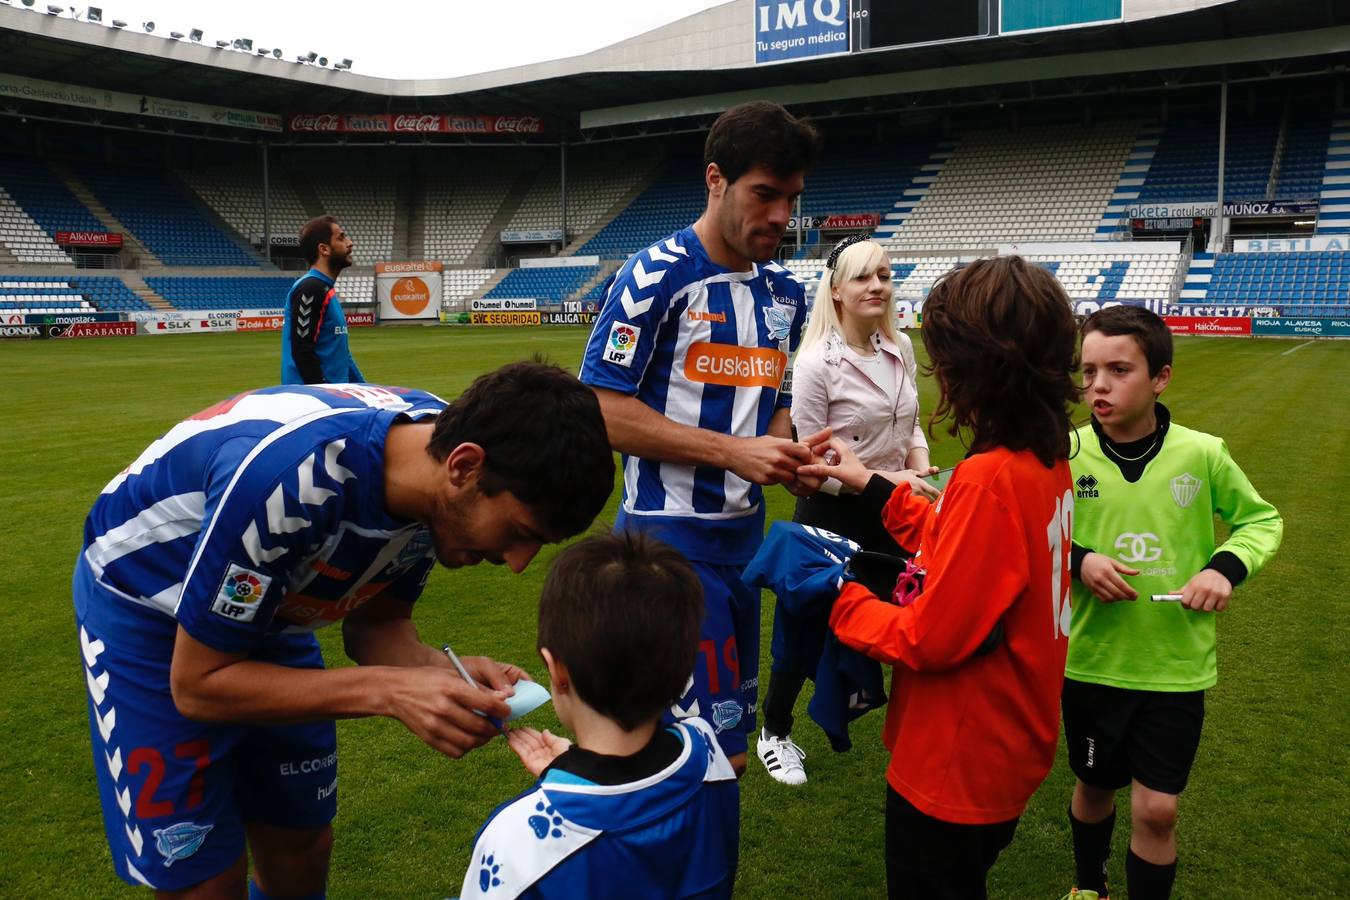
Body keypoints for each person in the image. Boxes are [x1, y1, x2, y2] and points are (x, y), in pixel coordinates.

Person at [73, 362, 614, 898]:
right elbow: (197, 685)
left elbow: (376, 628)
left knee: (303, 847)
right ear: (463, 467)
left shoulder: (437, 482)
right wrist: (388, 691)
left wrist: (438, 670)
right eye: (520, 533)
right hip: (147, 611)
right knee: (205, 883)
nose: (518, 562)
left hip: (270, 610)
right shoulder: (290, 484)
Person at [798, 255, 1082, 899]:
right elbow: (964, 550)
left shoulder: (990, 478)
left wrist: (838, 594)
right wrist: (866, 482)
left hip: (957, 759)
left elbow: (929, 637)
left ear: (979, 362)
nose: (938, 366)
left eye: (946, 350)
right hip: (1010, 741)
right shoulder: (1043, 457)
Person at [578, 100, 826, 774]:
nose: (781, 215)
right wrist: (732, 452)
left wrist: (786, 452)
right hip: (668, 547)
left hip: (744, 549)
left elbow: (774, 403)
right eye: (764, 194)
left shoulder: (787, 294)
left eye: (792, 197)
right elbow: (600, 409)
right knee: (698, 756)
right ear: (716, 180)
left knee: (729, 749)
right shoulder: (654, 276)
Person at [1060, 306, 1283, 900]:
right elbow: (1028, 530)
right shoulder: (1065, 451)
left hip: (1174, 667)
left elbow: (1261, 520)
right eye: (1088, 371)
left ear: (1161, 378)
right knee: (1092, 787)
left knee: (1158, 811)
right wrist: (1080, 559)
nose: (1099, 386)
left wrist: (1223, 568)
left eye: (1118, 370)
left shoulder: (1202, 453)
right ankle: (1090, 887)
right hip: (1090, 660)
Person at [461, 532, 740, 899]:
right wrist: (575, 771)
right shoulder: (709, 753)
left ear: (557, 670)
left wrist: (576, 781)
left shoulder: (517, 840)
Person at [756, 233, 938, 786]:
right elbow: (813, 467)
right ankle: (775, 731)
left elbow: (910, 426)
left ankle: (917, 730)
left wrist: (922, 464)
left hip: (896, 508)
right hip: (834, 515)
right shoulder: (814, 364)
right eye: (862, 276)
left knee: (912, 620)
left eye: (884, 275)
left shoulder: (901, 348)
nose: (877, 286)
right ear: (835, 291)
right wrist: (902, 478)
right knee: (803, 629)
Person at [282, 215, 364, 384]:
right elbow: (302, 350)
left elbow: (343, 355)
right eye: (341, 237)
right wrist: (325, 396)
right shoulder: (311, 288)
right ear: (324, 249)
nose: (350, 243)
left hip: (336, 399)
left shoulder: (326, 289)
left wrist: (366, 391)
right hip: (315, 402)